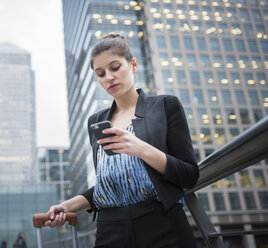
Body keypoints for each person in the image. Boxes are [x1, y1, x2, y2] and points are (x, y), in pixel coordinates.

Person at [43, 34, 200, 247]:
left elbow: (189, 175)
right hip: (110, 229)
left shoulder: (165, 106)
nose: (108, 77)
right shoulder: (96, 122)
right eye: (100, 73)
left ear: (133, 64)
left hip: (162, 223)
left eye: (115, 67)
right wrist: (67, 206)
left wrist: (141, 149)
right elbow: (107, 186)